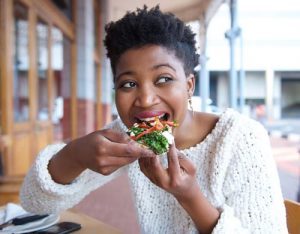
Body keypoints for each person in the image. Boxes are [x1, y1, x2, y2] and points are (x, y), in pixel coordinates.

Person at [20, 6, 288, 234]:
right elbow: (35, 203)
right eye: (128, 84)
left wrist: (190, 196)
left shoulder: (241, 138)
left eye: (164, 79)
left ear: (190, 85)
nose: (146, 99)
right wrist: (75, 155)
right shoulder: (126, 137)